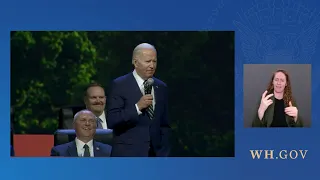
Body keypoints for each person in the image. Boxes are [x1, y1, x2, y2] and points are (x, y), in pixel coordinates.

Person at [107, 43, 171, 157]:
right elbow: (113, 120)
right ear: (135, 62)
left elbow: (164, 125)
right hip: (128, 155)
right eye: (148, 61)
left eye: (154, 61)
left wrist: (164, 153)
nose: (152, 65)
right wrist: (137, 107)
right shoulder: (120, 84)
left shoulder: (161, 87)